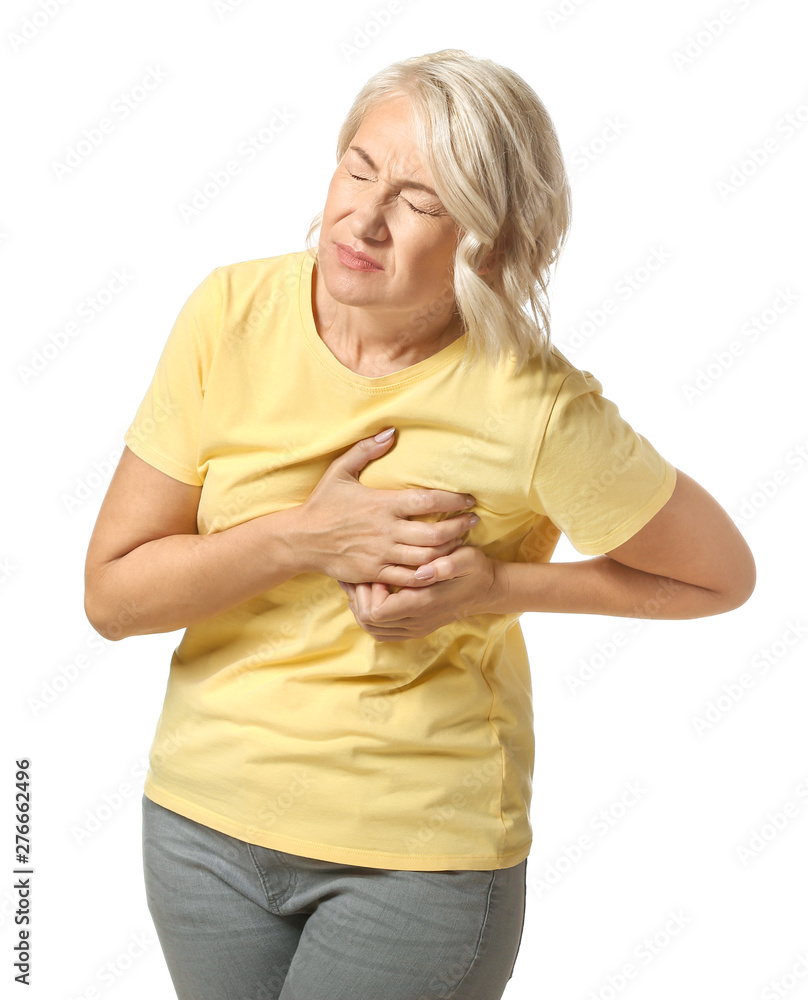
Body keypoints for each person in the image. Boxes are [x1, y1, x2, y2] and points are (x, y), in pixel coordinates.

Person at [84, 49, 756, 1000]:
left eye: (419, 201)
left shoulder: (534, 403)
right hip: (201, 834)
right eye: (358, 169)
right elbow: (112, 599)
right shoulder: (229, 313)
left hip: (415, 866)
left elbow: (717, 576)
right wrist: (304, 537)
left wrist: (495, 587)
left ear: (491, 241)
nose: (363, 219)